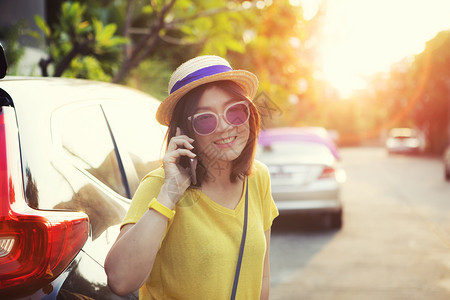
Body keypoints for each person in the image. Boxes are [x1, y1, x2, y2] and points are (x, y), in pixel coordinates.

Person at [105, 55, 279, 300]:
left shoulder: (258, 176)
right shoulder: (159, 185)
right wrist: (169, 195)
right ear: (183, 132)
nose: (224, 127)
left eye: (235, 111)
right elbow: (121, 281)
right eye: (205, 119)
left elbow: (261, 275)